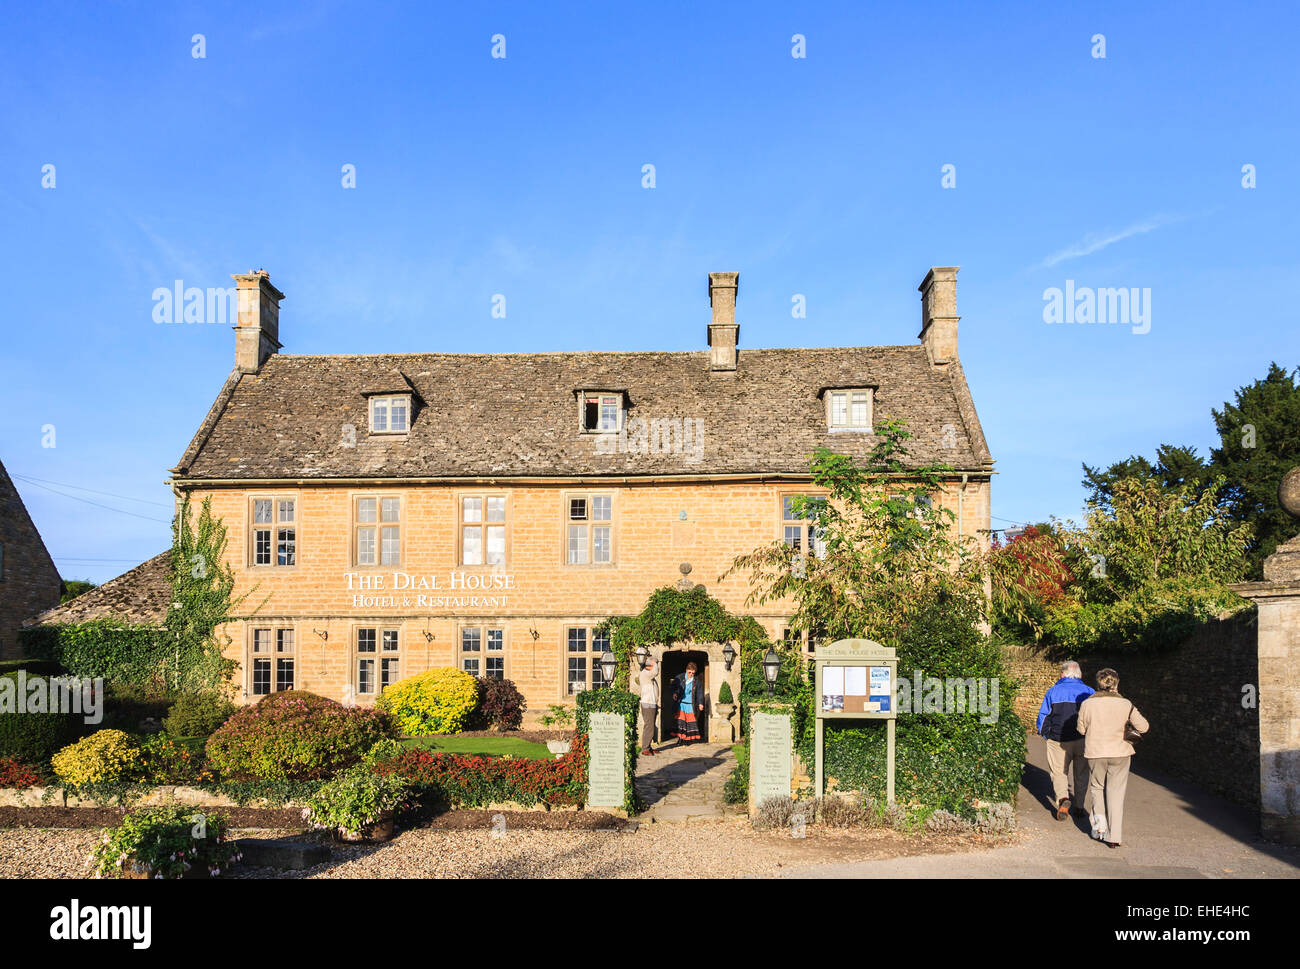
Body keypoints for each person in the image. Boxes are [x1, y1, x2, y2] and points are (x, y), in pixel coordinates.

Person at [1076, 668, 1149, 848]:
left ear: (1098, 684)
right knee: (1116, 793)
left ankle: (1100, 826)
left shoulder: (1087, 704)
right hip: (1120, 752)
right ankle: (1114, 836)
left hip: (1096, 752)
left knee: (1097, 787)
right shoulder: (1126, 704)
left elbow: (1081, 730)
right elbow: (1144, 727)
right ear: (1116, 684)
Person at [1036, 661, 1094, 821]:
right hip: (1083, 739)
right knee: (1081, 773)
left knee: (1059, 772)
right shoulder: (1090, 692)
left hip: (1058, 739)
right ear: (1079, 674)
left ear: (1062, 674)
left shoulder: (1053, 691)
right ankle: (1080, 806)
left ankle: (1063, 799)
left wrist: (1045, 734)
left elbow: (1043, 716)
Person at [670, 661, 705, 745]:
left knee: (690, 723)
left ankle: (687, 740)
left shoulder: (697, 681)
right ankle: (680, 739)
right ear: (686, 670)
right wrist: (674, 693)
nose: (691, 674)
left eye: (693, 673)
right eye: (689, 672)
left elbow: (700, 693)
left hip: (690, 705)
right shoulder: (679, 677)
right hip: (681, 704)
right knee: (680, 722)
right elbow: (672, 686)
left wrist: (700, 703)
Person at [638, 657, 660, 756]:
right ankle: (645, 748)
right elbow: (655, 672)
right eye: (655, 665)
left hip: (651, 703)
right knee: (649, 726)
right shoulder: (645, 673)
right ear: (649, 665)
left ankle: (649, 747)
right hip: (648, 704)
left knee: (651, 725)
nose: (656, 666)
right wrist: (654, 663)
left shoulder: (648, 675)